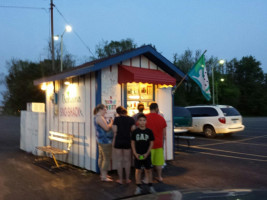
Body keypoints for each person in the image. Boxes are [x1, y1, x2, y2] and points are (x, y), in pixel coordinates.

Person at [131, 114, 156, 195]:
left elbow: (151, 143)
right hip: (137, 154)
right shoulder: (135, 132)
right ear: (137, 122)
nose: (142, 122)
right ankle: (138, 186)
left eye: (144, 120)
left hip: (146, 154)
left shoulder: (149, 131)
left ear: (146, 121)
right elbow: (132, 143)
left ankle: (150, 186)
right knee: (138, 170)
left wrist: (147, 153)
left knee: (148, 170)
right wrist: (135, 153)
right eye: (140, 120)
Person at [112, 106, 136, 184]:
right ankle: (127, 179)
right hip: (127, 140)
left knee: (119, 161)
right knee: (127, 161)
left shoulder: (116, 119)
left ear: (118, 113)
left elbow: (115, 131)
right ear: (126, 112)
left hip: (118, 140)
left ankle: (120, 179)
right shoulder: (131, 119)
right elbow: (133, 129)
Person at [145, 102, 167, 183]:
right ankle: (159, 177)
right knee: (158, 162)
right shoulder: (161, 119)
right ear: (156, 108)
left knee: (147, 163)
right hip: (158, 144)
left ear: (149, 108)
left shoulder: (145, 118)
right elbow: (164, 134)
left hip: (147, 144)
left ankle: (147, 178)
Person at [94, 104, 114, 182]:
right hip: (105, 141)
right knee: (106, 158)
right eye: (105, 109)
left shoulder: (96, 117)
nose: (106, 110)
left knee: (101, 157)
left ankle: (102, 174)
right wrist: (111, 122)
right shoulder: (99, 118)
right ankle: (104, 176)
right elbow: (106, 128)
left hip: (100, 140)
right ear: (101, 109)